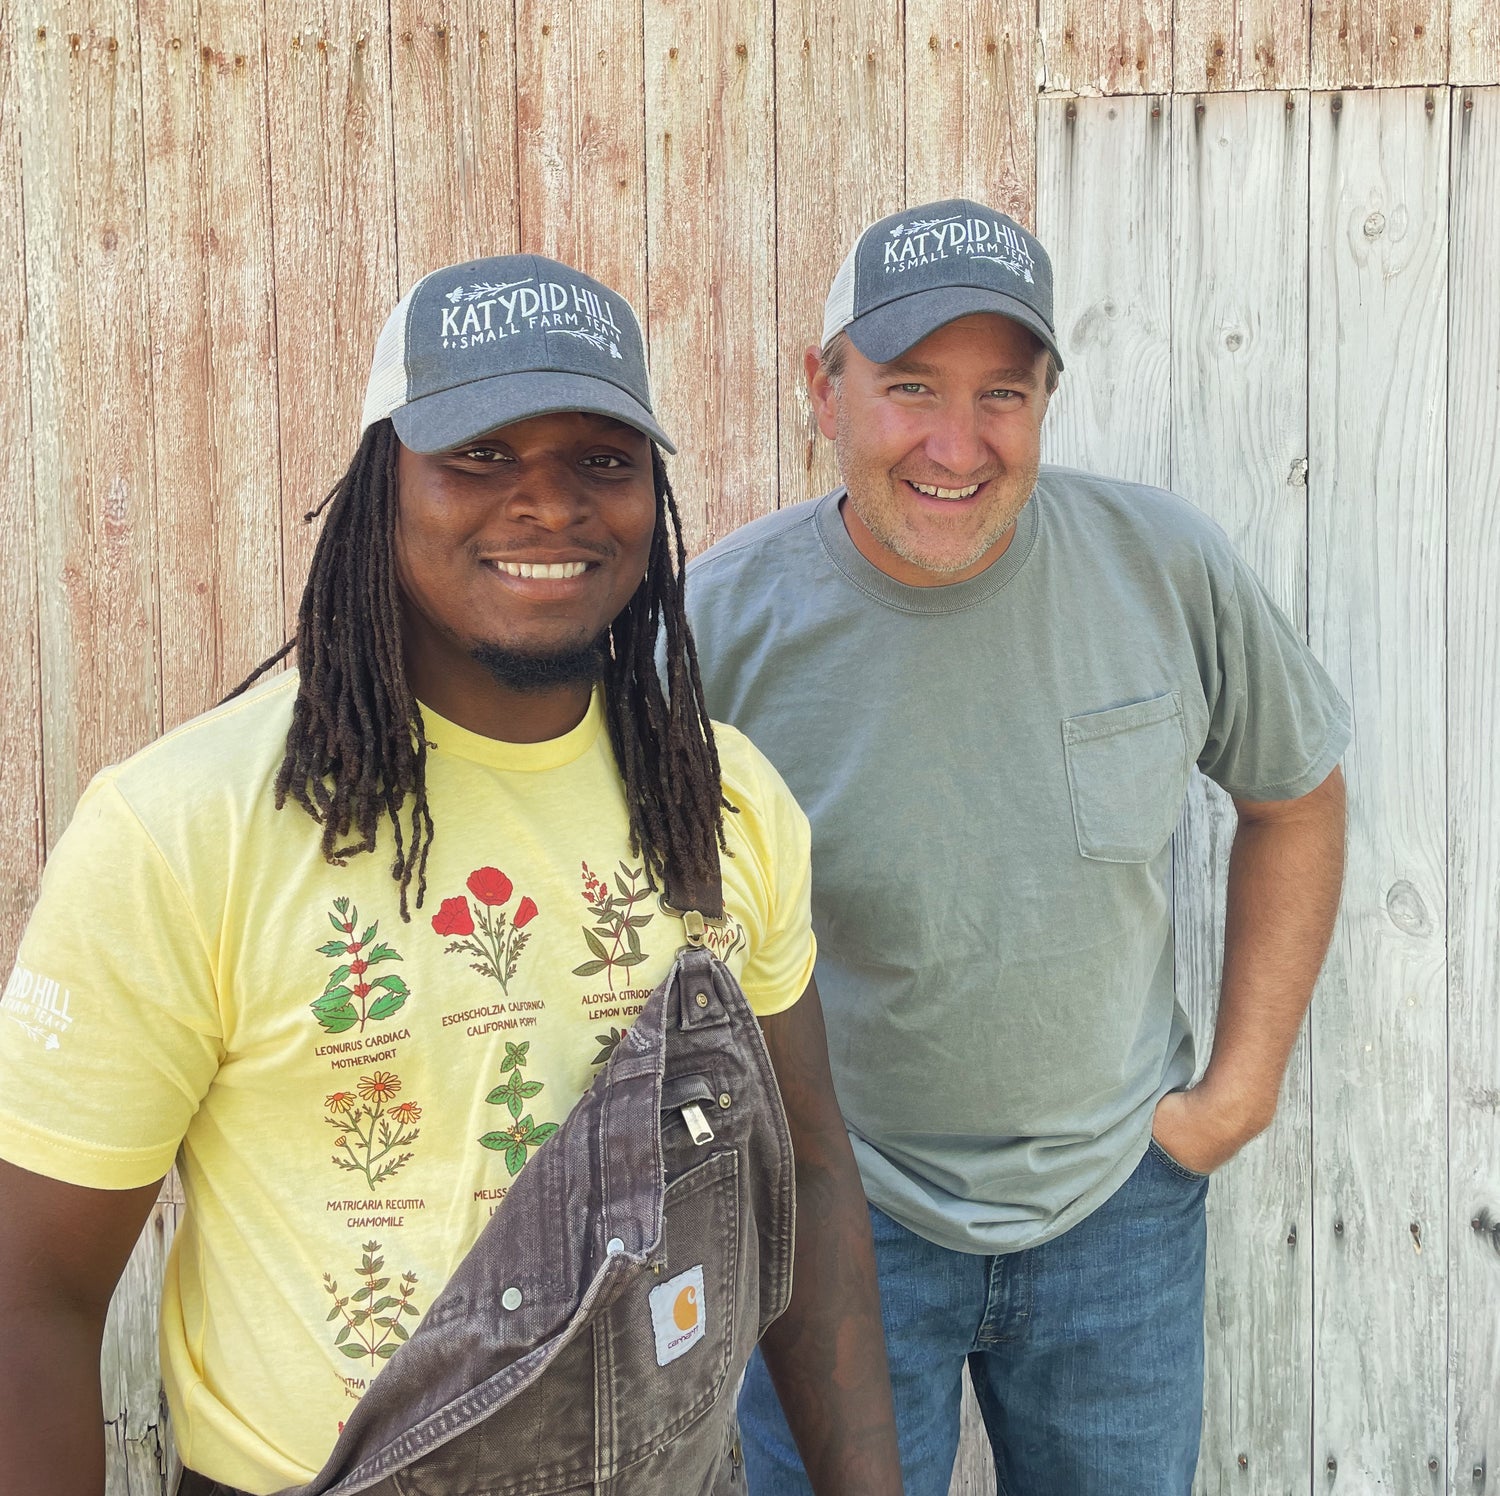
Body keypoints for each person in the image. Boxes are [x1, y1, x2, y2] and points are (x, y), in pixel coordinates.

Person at [0, 253, 900, 1496]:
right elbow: (30, 1296)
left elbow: (804, 1167)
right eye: (479, 453)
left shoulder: (726, 798)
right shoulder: (182, 828)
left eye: (601, 458)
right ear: (384, 485)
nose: (548, 504)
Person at [684, 198, 1350, 1496]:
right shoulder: (722, 624)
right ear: (823, 390)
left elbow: (1296, 795)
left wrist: (1240, 1092)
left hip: (1121, 1209)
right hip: (840, 1225)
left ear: (1047, 398)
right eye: (910, 386)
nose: (955, 441)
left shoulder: (1161, 567)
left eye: (1003, 391)